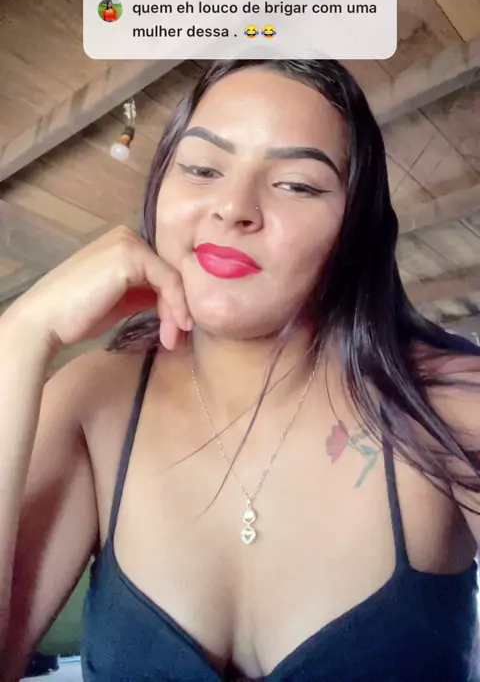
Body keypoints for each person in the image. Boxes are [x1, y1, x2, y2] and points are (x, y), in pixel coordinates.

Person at [1, 59, 480, 682]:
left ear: (354, 230)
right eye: (202, 169)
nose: (233, 208)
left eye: (297, 184)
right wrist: (21, 336)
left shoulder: (450, 401)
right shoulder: (94, 401)